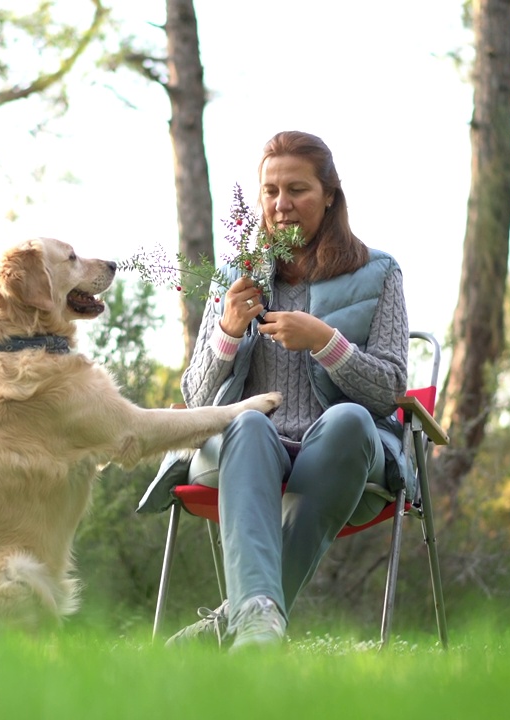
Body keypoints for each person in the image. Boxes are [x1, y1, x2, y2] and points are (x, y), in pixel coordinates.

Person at [167, 130, 411, 650]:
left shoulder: (379, 272)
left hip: (343, 461)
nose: (282, 205)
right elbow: (195, 398)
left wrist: (326, 342)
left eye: (297, 190)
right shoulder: (236, 277)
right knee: (249, 421)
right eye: (271, 191)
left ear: (329, 194)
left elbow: (389, 389)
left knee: (349, 420)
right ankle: (256, 620)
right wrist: (229, 331)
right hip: (245, 454)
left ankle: (239, 619)